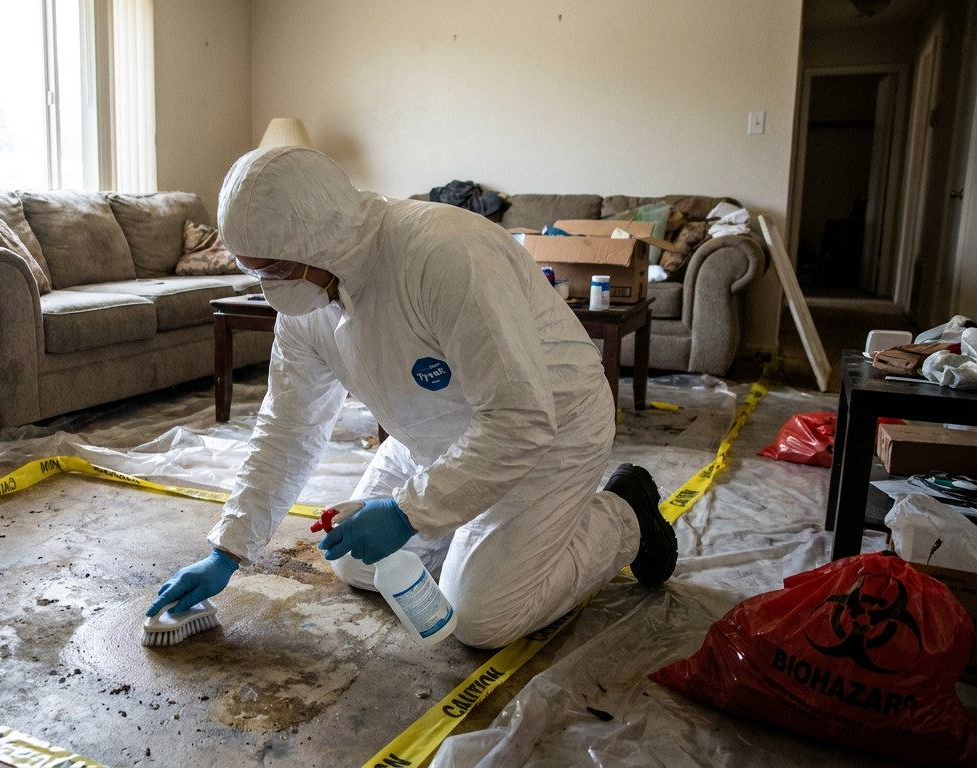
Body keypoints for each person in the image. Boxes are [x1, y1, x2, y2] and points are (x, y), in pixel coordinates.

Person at [146, 147, 676, 649]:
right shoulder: (308, 303)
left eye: (276, 271)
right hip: (429, 436)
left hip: (551, 432)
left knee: (480, 618)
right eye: (253, 272)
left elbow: (520, 416)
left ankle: (625, 514)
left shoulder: (443, 254)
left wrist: (408, 512)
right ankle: (469, 525)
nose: (269, 289)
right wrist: (226, 550)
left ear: (317, 240)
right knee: (355, 563)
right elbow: (288, 426)